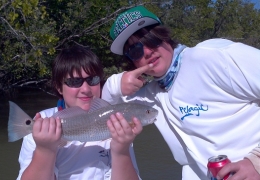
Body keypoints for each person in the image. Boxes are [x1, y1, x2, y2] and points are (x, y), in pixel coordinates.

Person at [102, 5, 260, 180]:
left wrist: (256, 161)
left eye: (151, 39)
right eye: (135, 50)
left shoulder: (212, 57)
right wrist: (115, 84)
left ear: (164, 36)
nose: (147, 51)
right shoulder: (150, 96)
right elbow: (102, 111)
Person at [16, 45, 143, 180]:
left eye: (92, 80)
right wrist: (44, 150)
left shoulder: (116, 123)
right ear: (59, 87)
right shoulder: (41, 125)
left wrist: (121, 150)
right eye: (75, 82)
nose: (86, 89)